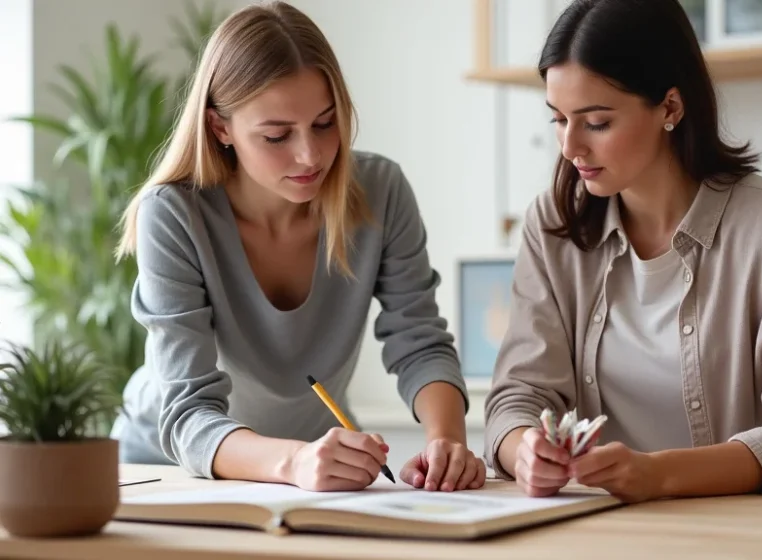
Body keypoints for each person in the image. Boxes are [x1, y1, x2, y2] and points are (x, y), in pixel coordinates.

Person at [483, 0, 762, 503]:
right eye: (558, 119)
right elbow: (517, 397)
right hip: (589, 529)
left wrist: (658, 476)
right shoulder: (552, 228)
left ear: (670, 108)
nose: (570, 146)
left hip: (735, 533)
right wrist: (523, 450)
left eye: (595, 122)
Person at [111, 0, 485, 494]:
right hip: (167, 468)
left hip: (311, 469)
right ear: (220, 128)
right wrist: (293, 462)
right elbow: (187, 413)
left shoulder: (381, 190)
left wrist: (447, 443)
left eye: (325, 123)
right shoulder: (174, 213)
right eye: (276, 135)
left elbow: (419, 339)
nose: (310, 155)